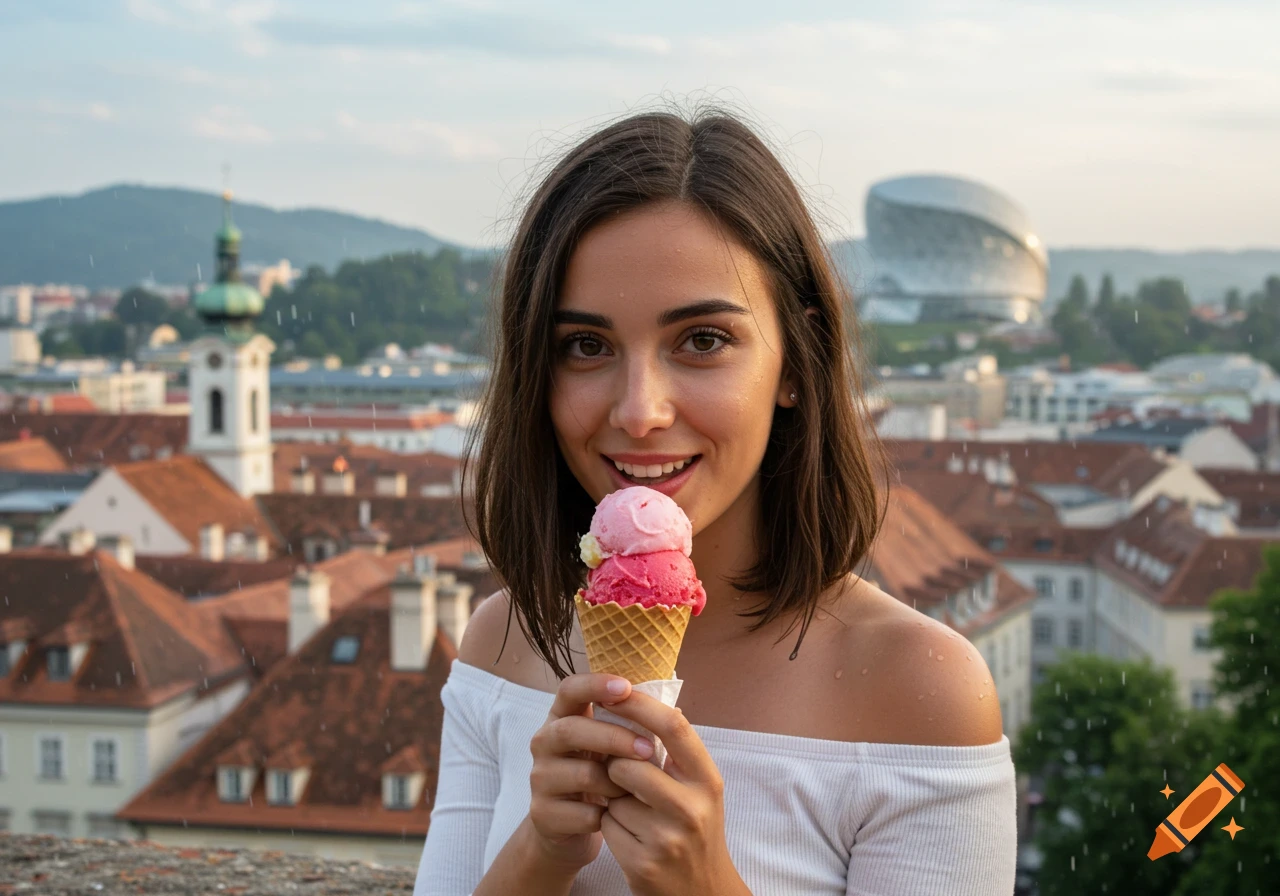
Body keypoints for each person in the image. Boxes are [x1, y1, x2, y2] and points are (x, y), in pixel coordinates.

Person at [414, 108, 1017, 896]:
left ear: (796, 363)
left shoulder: (922, 689)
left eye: (701, 341)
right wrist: (541, 853)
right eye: (585, 346)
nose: (639, 410)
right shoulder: (504, 640)